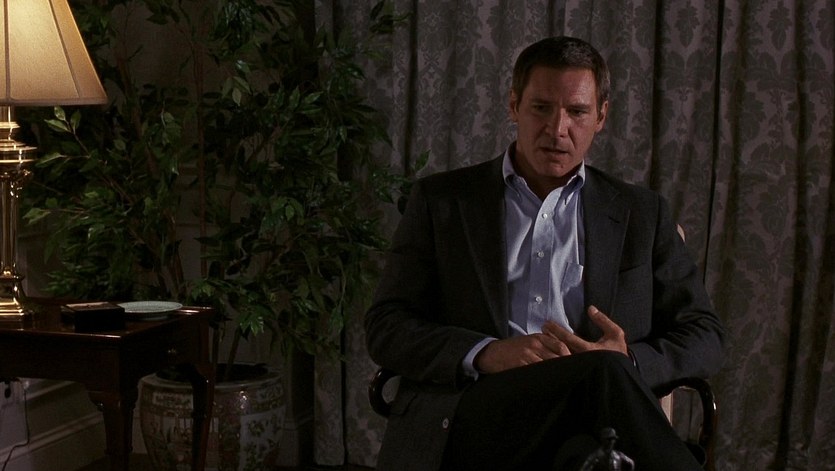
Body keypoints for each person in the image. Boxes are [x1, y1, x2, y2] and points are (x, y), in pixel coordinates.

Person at [365, 36, 725, 471]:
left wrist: (628, 361)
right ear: (513, 105)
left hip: (588, 423)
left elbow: (705, 335)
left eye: (577, 112)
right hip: (477, 413)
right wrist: (487, 352)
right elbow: (386, 326)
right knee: (601, 374)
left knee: (591, 435)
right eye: (541, 108)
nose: (557, 129)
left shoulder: (641, 214)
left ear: (601, 117)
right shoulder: (443, 202)